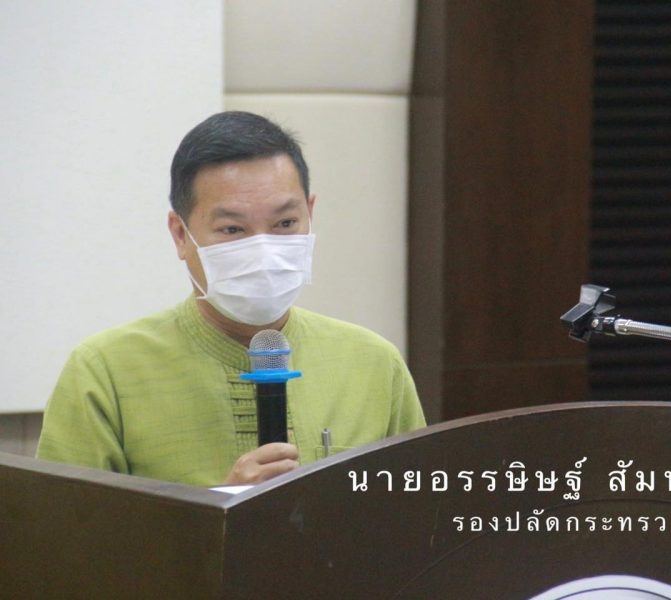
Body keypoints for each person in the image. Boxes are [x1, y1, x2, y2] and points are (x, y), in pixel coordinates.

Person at [36, 111, 426, 486]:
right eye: (233, 229)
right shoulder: (103, 373)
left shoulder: (375, 364)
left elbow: (422, 515)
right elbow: (64, 528)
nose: (263, 250)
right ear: (180, 234)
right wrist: (222, 508)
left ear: (310, 214)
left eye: (285, 223)